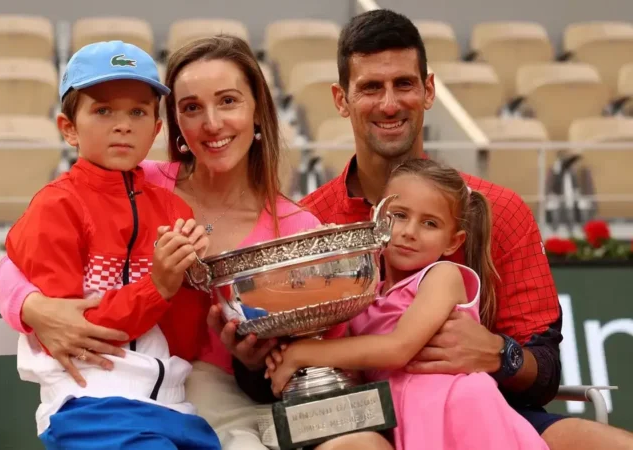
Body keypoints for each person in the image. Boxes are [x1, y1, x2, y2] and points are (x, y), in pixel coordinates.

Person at [229, 9, 633, 450]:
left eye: (404, 84)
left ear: (429, 90)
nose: (389, 103)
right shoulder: (306, 222)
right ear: (341, 100)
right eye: (370, 88)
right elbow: (275, 376)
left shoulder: (499, 208)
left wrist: (499, 354)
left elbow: (546, 372)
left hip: (482, 409)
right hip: (358, 419)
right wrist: (251, 361)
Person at [0, 35, 384, 450]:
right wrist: (33, 308)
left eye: (229, 101)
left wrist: (251, 360)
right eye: (192, 108)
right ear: (174, 124)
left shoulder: (297, 225)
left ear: (258, 112)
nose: (212, 123)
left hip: (235, 401)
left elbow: (319, 350)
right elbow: (18, 260)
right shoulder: (131, 176)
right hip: (153, 397)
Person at [3, 40, 220, 449]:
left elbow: (184, 341)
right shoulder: (55, 206)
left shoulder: (173, 208)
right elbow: (75, 335)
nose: (123, 125)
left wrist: (192, 280)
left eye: (138, 112)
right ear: (68, 127)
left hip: (172, 407)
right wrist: (157, 285)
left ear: (156, 129)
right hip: (89, 405)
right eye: (103, 111)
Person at [266, 158, 550, 449]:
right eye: (399, 215)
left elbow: (398, 349)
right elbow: (357, 367)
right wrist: (289, 361)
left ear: (453, 242)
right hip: (407, 420)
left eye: (430, 223)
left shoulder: (443, 276)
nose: (409, 231)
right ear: (377, 219)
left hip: (464, 414)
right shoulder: (365, 294)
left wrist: (305, 353)